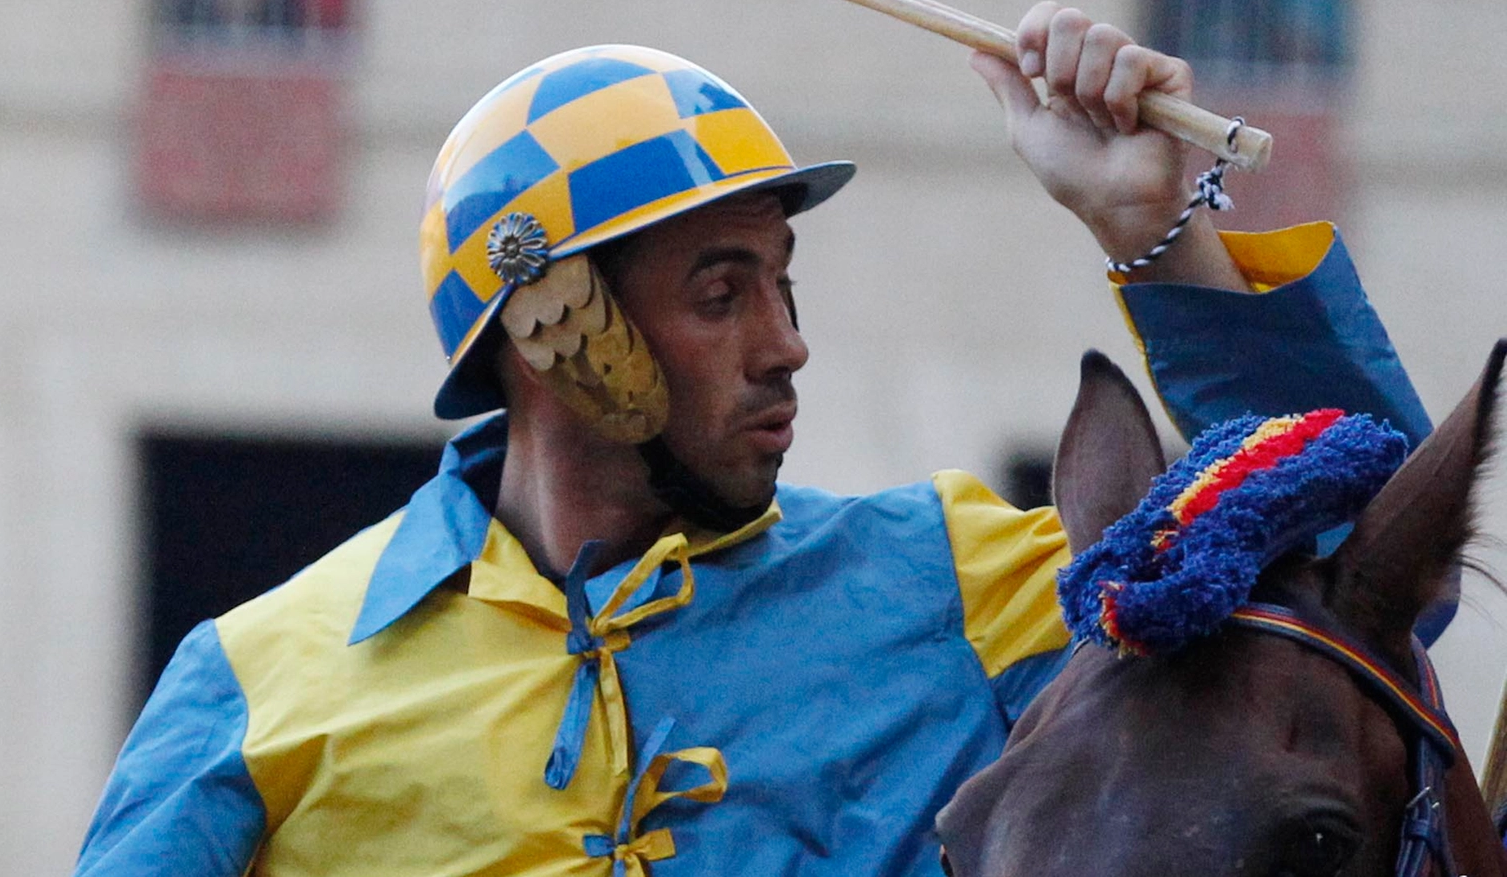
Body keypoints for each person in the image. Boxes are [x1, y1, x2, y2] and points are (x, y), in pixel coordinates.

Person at [74, 4, 1431, 875]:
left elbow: (1360, 556)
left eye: (785, 284)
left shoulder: (957, 584)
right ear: (549, 321)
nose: (785, 344)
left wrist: (1150, 223)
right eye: (721, 292)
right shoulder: (255, 687)